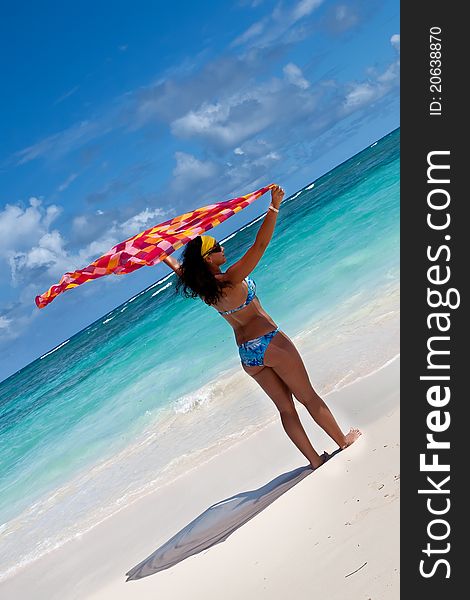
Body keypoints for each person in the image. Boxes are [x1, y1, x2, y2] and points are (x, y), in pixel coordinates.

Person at [163, 184, 361, 469]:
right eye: (218, 247)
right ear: (208, 259)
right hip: (270, 343)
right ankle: (343, 441)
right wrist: (274, 206)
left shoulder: (204, 288)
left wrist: (164, 256)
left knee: (286, 410)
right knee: (308, 397)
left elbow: (182, 270)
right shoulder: (230, 278)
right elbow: (260, 246)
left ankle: (315, 461)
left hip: (248, 355)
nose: (224, 248)